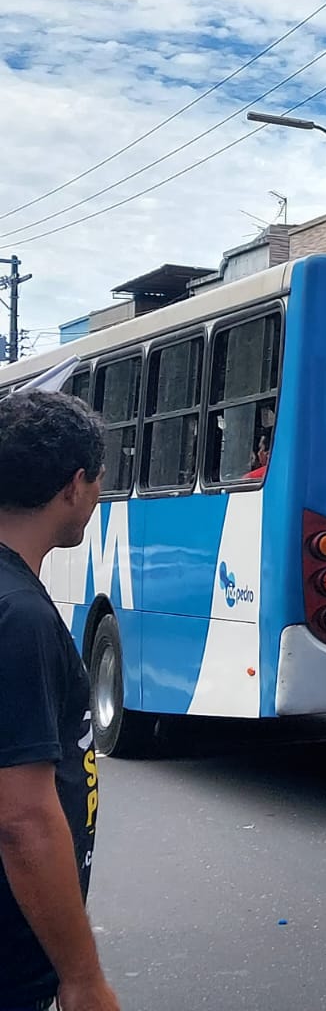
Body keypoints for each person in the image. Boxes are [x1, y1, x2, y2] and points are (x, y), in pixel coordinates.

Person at [0, 391, 121, 1011]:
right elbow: (22, 820)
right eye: (100, 481)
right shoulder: (19, 615)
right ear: (74, 486)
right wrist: (82, 979)